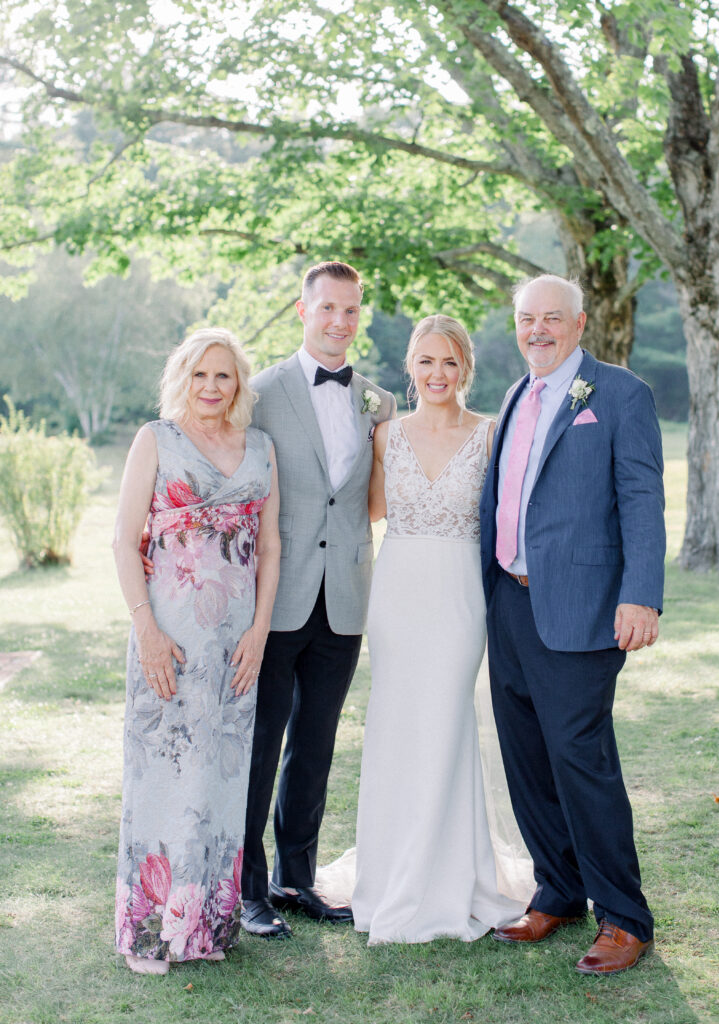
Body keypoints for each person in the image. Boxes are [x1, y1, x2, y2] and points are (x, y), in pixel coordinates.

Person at [479, 274, 665, 975]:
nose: (538, 331)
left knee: (580, 760)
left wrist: (639, 594)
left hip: (584, 608)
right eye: (527, 319)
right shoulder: (515, 393)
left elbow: (641, 498)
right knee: (526, 758)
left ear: (579, 323)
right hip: (510, 601)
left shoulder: (617, 394)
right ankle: (556, 890)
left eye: (552, 318)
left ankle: (624, 916)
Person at [337, 314, 531, 944]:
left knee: (446, 723)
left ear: (465, 368)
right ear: (409, 367)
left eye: (449, 362)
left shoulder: (492, 433)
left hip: (457, 597)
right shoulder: (384, 435)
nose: (437, 374)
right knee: (397, 726)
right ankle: (394, 875)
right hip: (396, 596)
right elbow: (365, 511)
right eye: (425, 361)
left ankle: (452, 876)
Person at [112, 328, 280, 975]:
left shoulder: (260, 448)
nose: (211, 388)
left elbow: (269, 550)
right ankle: (150, 932)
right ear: (182, 376)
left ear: (239, 385)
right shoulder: (155, 440)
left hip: (236, 644)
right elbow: (124, 542)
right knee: (161, 774)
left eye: (224, 377)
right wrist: (146, 629)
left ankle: (206, 925)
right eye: (201, 375)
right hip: (170, 638)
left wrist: (260, 631)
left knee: (219, 776)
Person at [240, 261, 396, 939]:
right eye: (327, 308)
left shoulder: (379, 402)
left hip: (345, 601)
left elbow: (371, 497)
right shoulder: (259, 392)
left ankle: (295, 878)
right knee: (259, 742)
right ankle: (247, 889)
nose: (339, 321)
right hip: (273, 598)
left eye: (351, 310)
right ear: (303, 311)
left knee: (315, 743)